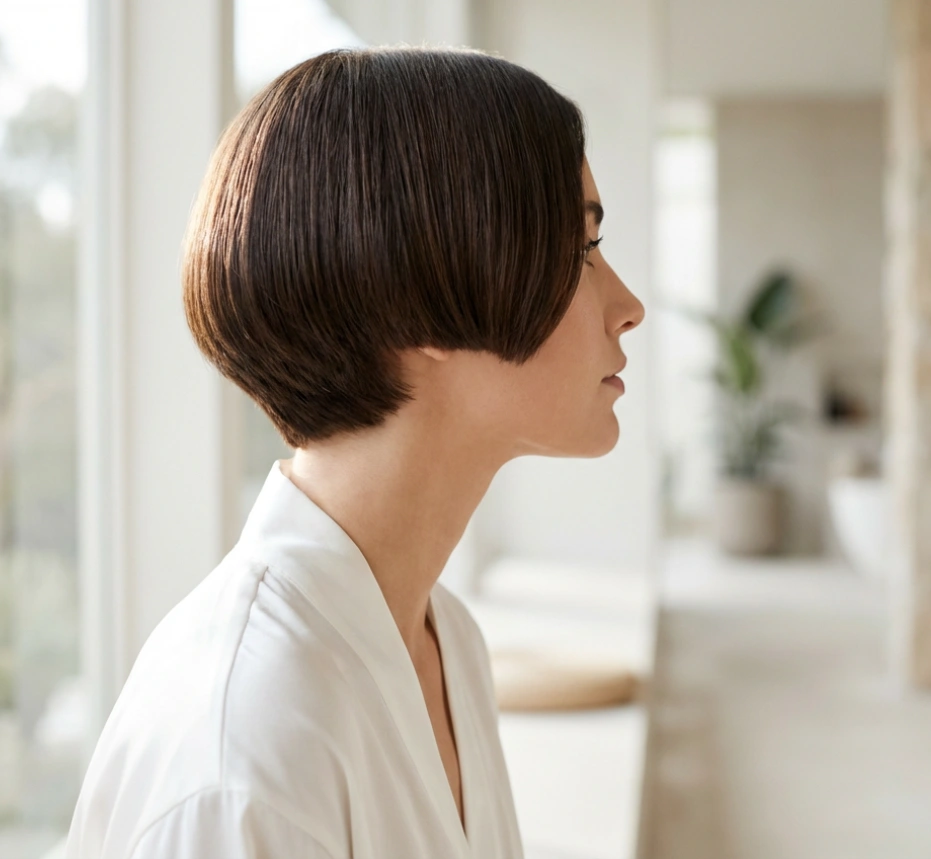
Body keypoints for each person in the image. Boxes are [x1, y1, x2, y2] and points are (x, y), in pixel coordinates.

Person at [63, 45, 644, 859]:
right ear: (425, 298)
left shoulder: (448, 641)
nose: (627, 305)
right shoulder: (249, 757)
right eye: (582, 250)